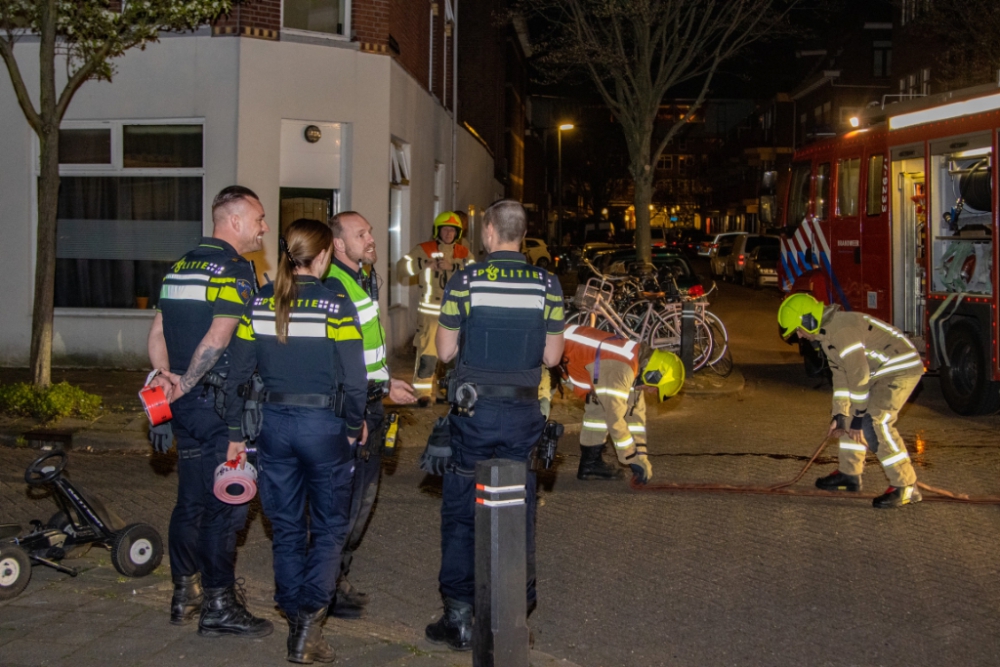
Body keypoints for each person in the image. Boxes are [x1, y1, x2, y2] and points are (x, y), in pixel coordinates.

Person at [223, 218, 368, 663]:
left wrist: (233, 433)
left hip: (274, 429)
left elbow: (237, 374)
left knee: (286, 529)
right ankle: (308, 628)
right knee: (327, 529)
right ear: (323, 256)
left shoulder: (260, 303)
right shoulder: (337, 305)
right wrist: (352, 425)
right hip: (324, 427)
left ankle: (293, 615)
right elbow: (356, 378)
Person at [424, 199, 565, 651]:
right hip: (524, 415)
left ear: (488, 231)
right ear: (521, 234)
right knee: (517, 509)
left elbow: (444, 353)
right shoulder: (548, 284)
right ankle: (511, 615)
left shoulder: (466, 280)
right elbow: (553, 357)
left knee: (463, 509)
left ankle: (460, 616)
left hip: (474, 414)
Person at [146, 185, 272, 638]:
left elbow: (157, 329)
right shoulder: (235, 269)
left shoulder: (181, 266)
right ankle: (220, 605)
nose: (264, 227)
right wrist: (188, 381)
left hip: (183, 408)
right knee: (228, 505)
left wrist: (165, 379)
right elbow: (220, 337)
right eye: (258, 218)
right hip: (219, 408)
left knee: (192, 499)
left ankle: (185, 592)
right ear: (234, 221)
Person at [323, 211, 417, 619]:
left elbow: (365, 352)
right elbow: (337, 360)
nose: (371, 237)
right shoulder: (336, 286)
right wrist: (356, 408)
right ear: (339, 244)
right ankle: (326, 587)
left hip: (371, 401)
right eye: (361, 233)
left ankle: (333, 580)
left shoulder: (359, 279)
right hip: (354, 410)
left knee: (360, 501)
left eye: (371, 230)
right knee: (348, 503)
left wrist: (387, 383)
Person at [777, 293, 925, 508]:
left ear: (808, 320)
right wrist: (839, 413)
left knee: (875, 422)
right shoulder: (826, 337)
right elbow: (841, 378)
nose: (799, 337)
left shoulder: (842, 332)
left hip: (900, 369)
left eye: (798, 331)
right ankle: (849, 475)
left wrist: (857, 418)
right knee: (848, 417)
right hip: (879, 372)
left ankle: (906, 486)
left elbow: (858, 376)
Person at [562, 324, 685, 483]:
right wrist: (632, 459)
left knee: (598, 409)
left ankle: (590, 465)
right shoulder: (620, 370)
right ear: (654, 375)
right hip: (545, 348)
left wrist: (642, 457)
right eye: (656, 389)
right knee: (533, 413)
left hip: (562, 354)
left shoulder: (636, 364)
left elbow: (635, 418)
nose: (652, 392)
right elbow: (615, 419)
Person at [399, 211, 471, 405]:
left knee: (450, 354)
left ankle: (444, 390)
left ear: (458, 233)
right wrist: (425, 264)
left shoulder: (464, 252)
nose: (448, 234)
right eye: (445, 229)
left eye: (452, 230)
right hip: (430, 312)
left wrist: (452, 266)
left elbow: (473, 273)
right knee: (427, 353)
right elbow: (401, 268)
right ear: (437, 230)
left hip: (455, 312)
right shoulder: (424, 249)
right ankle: (422, 393)